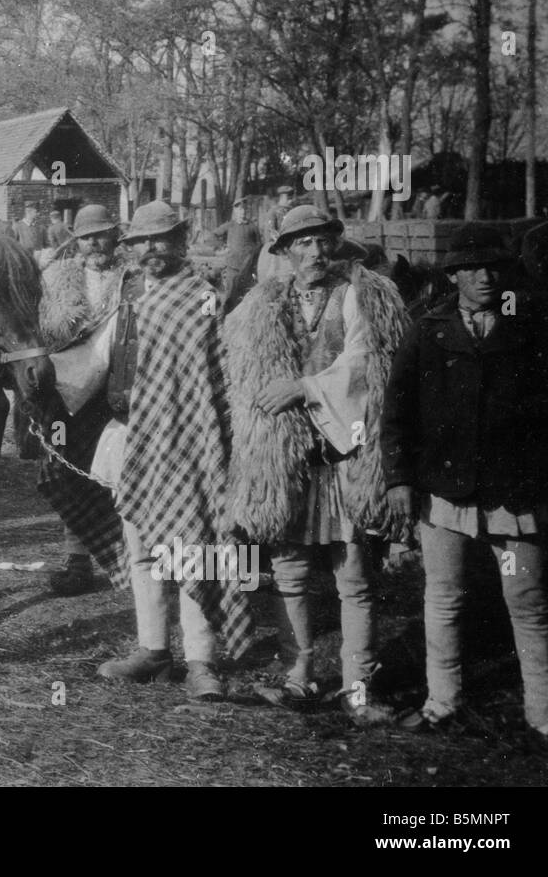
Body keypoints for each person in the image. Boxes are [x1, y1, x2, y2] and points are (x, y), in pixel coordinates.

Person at [225, 205, 409, 726]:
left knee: (353, 577)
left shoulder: (359, 295)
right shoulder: (261, 307)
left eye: (322, 242)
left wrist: (304, 389)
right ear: (283, 251)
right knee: (290, 571)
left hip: (343, 456)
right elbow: (246, 383)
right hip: (286, 460)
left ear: (335, 245)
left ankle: (359, 689)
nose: (314, 252)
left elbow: (364, 363)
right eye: (300, 244)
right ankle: (298, 675)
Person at [382, 224, 548, 747]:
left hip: (514, 492)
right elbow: (397, 412)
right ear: (453, 275)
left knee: (527, 599)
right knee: (443, 596)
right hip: (446, 491)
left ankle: (545, 714)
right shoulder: (427, 330)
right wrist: (399, 478)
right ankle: (442, 701)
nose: (484, 277)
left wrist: (546, 481)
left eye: (493, 268)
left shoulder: (532, 327)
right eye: (472, 268)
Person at [83, 202, 254, 699]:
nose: (151, 250)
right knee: (140, 547)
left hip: (186, 440)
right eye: (141, 242)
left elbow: (214, 375)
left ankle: (201, 659)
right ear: (130, 249)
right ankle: (153, 650)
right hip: (131, 435)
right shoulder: (126, 294)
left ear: (180, 243)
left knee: (190, 546)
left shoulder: (202, 298)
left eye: (162, 240)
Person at [38, 204, 132, 597]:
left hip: (119, 391)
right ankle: (77, 559)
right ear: (76, 241)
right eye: (87, 236)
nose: (95, 242)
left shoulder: (132, 278)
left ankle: (127, 559)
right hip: (68, 391)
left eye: (102, 233)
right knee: (70, 470)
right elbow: (43, 329)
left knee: (120, 472)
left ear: (116, 236)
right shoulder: (57, 279)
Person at [213, 196, 262, 313]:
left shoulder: (252, 227)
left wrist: (253, 258)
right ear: (235, 211)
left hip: (248, 270)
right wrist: (222, 248)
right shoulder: (230, 225)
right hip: (233, 268)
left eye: (244, 209)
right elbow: (214, 234)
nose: (242, 212)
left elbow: (259, 245)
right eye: (239, 209)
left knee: (247, 298)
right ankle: (225, 320)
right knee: (230, 297)